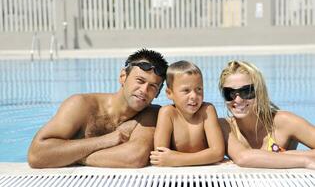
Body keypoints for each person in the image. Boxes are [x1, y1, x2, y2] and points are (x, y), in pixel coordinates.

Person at [28, 49, 168, 168]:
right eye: (140, 81)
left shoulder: (150, 114)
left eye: (153, 86)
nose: (144, 90)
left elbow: (135, 157)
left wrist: (70, 156)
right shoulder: (81, 105)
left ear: (157, 94)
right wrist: (106, 140)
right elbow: (36, 155)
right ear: (123, 77)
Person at [218, 60, 315, 169]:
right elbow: (243, 158)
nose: (238, 100)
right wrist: (305, 161)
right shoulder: (225, 127)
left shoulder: (284, 121)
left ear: (260, 92)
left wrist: (286, 155)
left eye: (246, 91)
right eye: (229, 93)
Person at [150, 60, 224, 167]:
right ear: (170, 93)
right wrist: (207, 157)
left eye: (199, 89)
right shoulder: (168, 113)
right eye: (186, 90)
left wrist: (176, 159)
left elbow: (218, 153)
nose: (194, 96)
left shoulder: (207, 111)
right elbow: (160, 155)